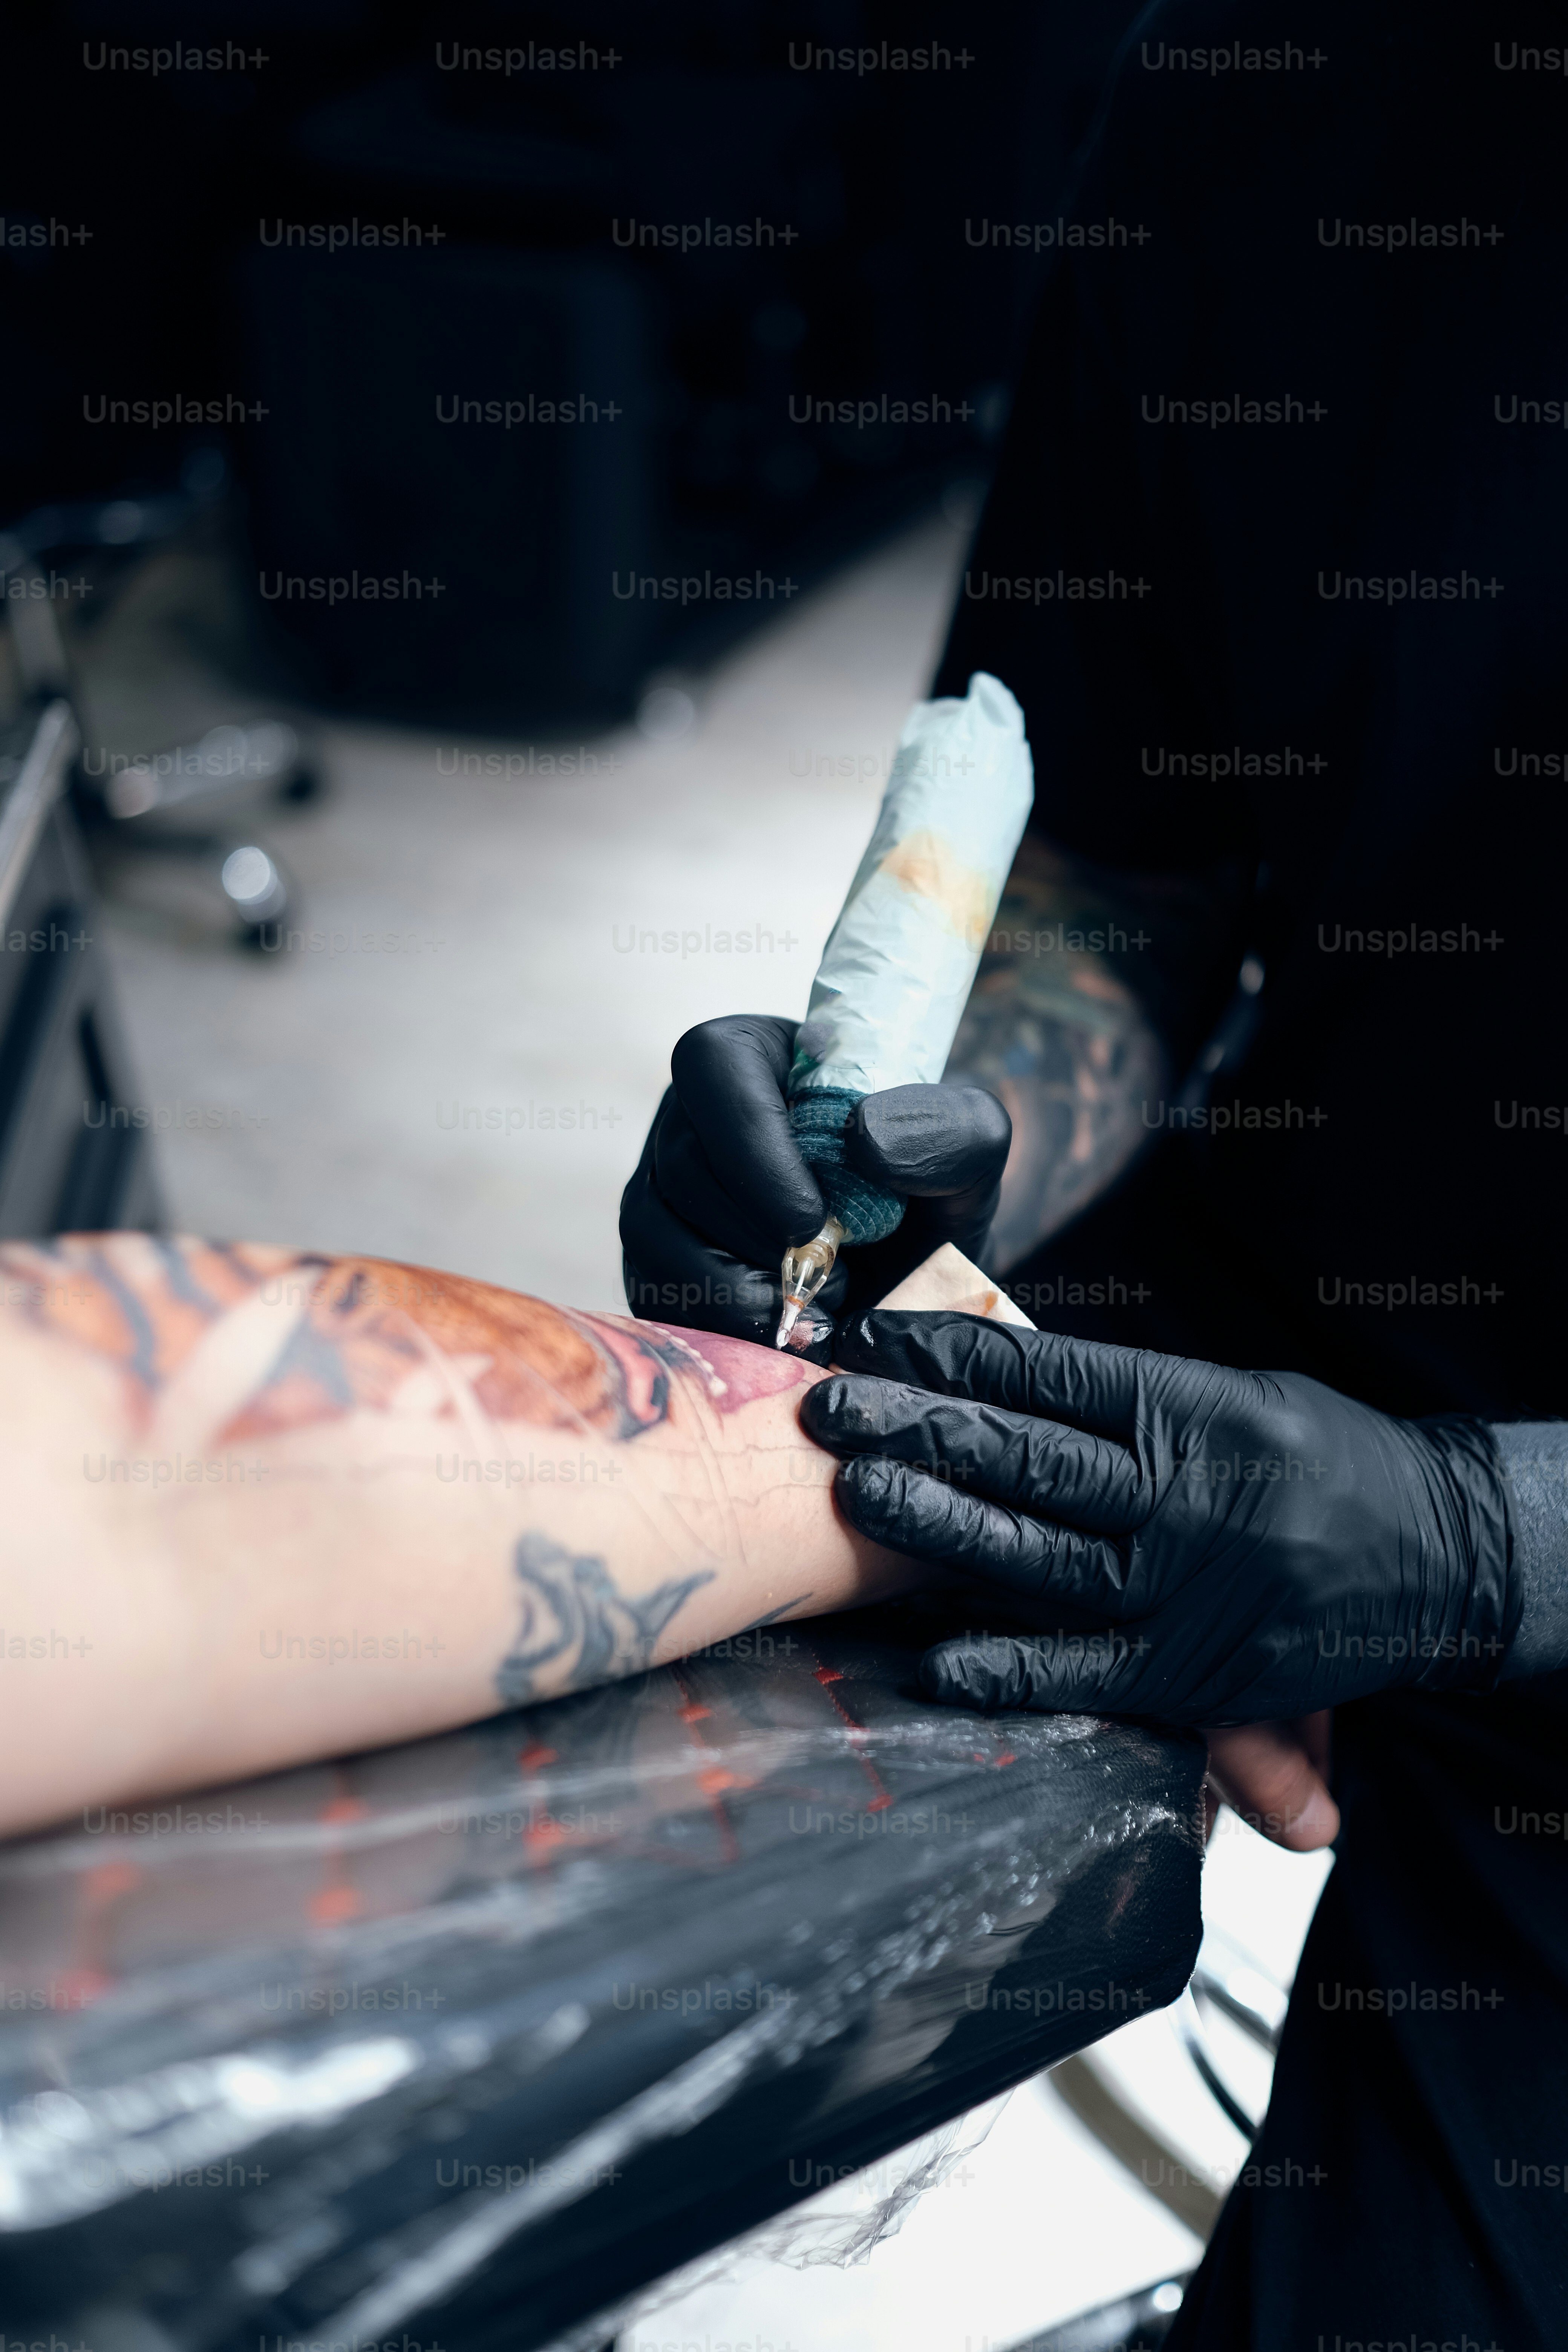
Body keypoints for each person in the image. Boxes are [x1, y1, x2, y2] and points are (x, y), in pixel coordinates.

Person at [617, 2, 1568, 2343]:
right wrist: (945, 1129)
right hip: (1331, 1275)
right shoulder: (1299, 98)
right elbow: (1120, 874)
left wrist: (1483, 1546)